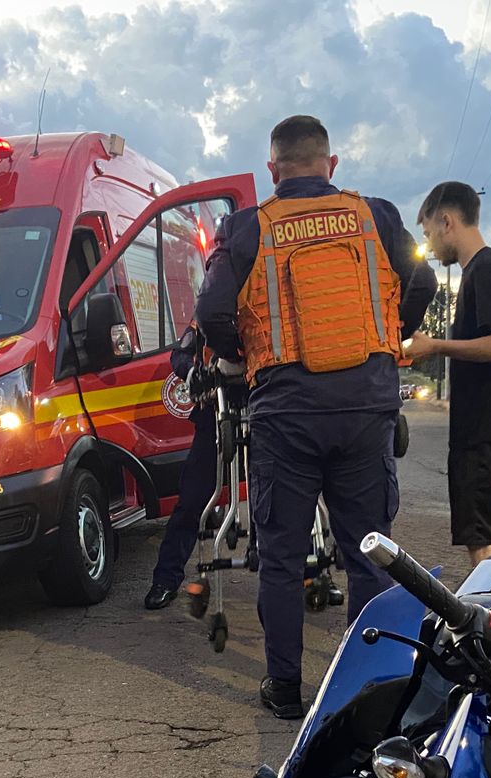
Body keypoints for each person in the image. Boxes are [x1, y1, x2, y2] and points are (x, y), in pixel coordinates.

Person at [195, 114, 435, 718]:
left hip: (286, 413)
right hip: (365, 407)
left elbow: (212, 311)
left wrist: (244, 356)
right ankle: (368, 691)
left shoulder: (248, 227)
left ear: (272, 170)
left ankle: (284, 691)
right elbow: (424, 281)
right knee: (369, 551)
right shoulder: (374, 215)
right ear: (332, 165)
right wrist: (389, 334)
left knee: (279, 557)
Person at [404, 181, 491, 565]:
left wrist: (436, 346)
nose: (431, 246)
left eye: (428, 234)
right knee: (488, 533)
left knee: (482, 539)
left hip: (485, 429)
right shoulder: (483, 269)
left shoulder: (487, 268)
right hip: (486, 428)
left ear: (446, 221)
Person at [144, 325, 221, 609]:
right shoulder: (213, 305)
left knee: (286, 499)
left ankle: (309, 575)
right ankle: (165, 580)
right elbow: (180, 354)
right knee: (191, 500)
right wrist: (193, 372)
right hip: (216, 411)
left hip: (268, 409)